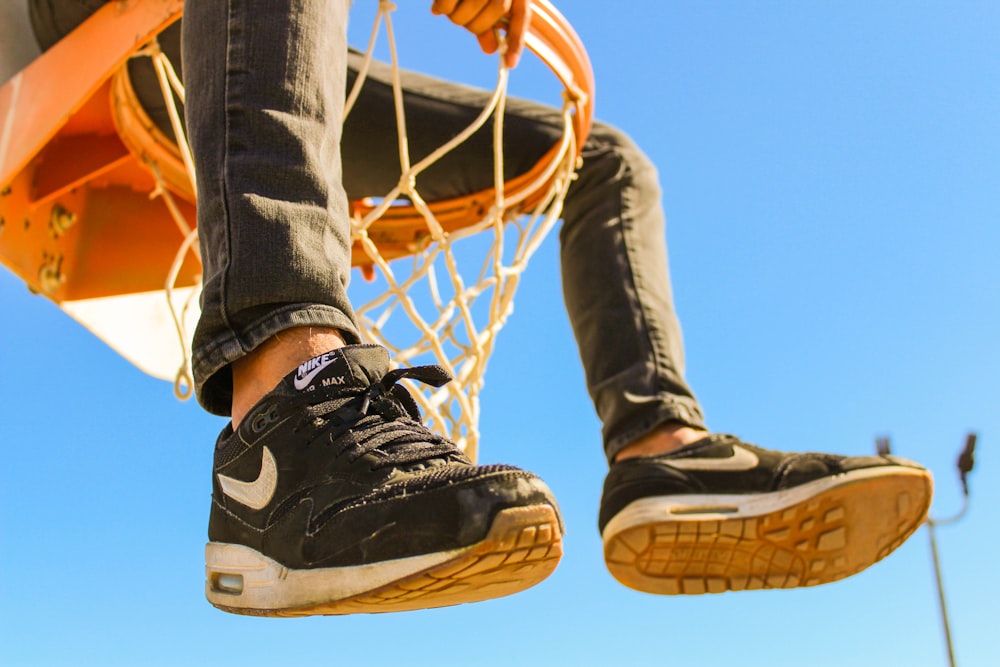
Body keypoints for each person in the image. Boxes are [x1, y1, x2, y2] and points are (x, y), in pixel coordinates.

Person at [28, 0, 932, 615]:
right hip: (108, 30)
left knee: (604, 164)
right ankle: (283, 407)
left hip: (265, 43)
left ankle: (663, 456)